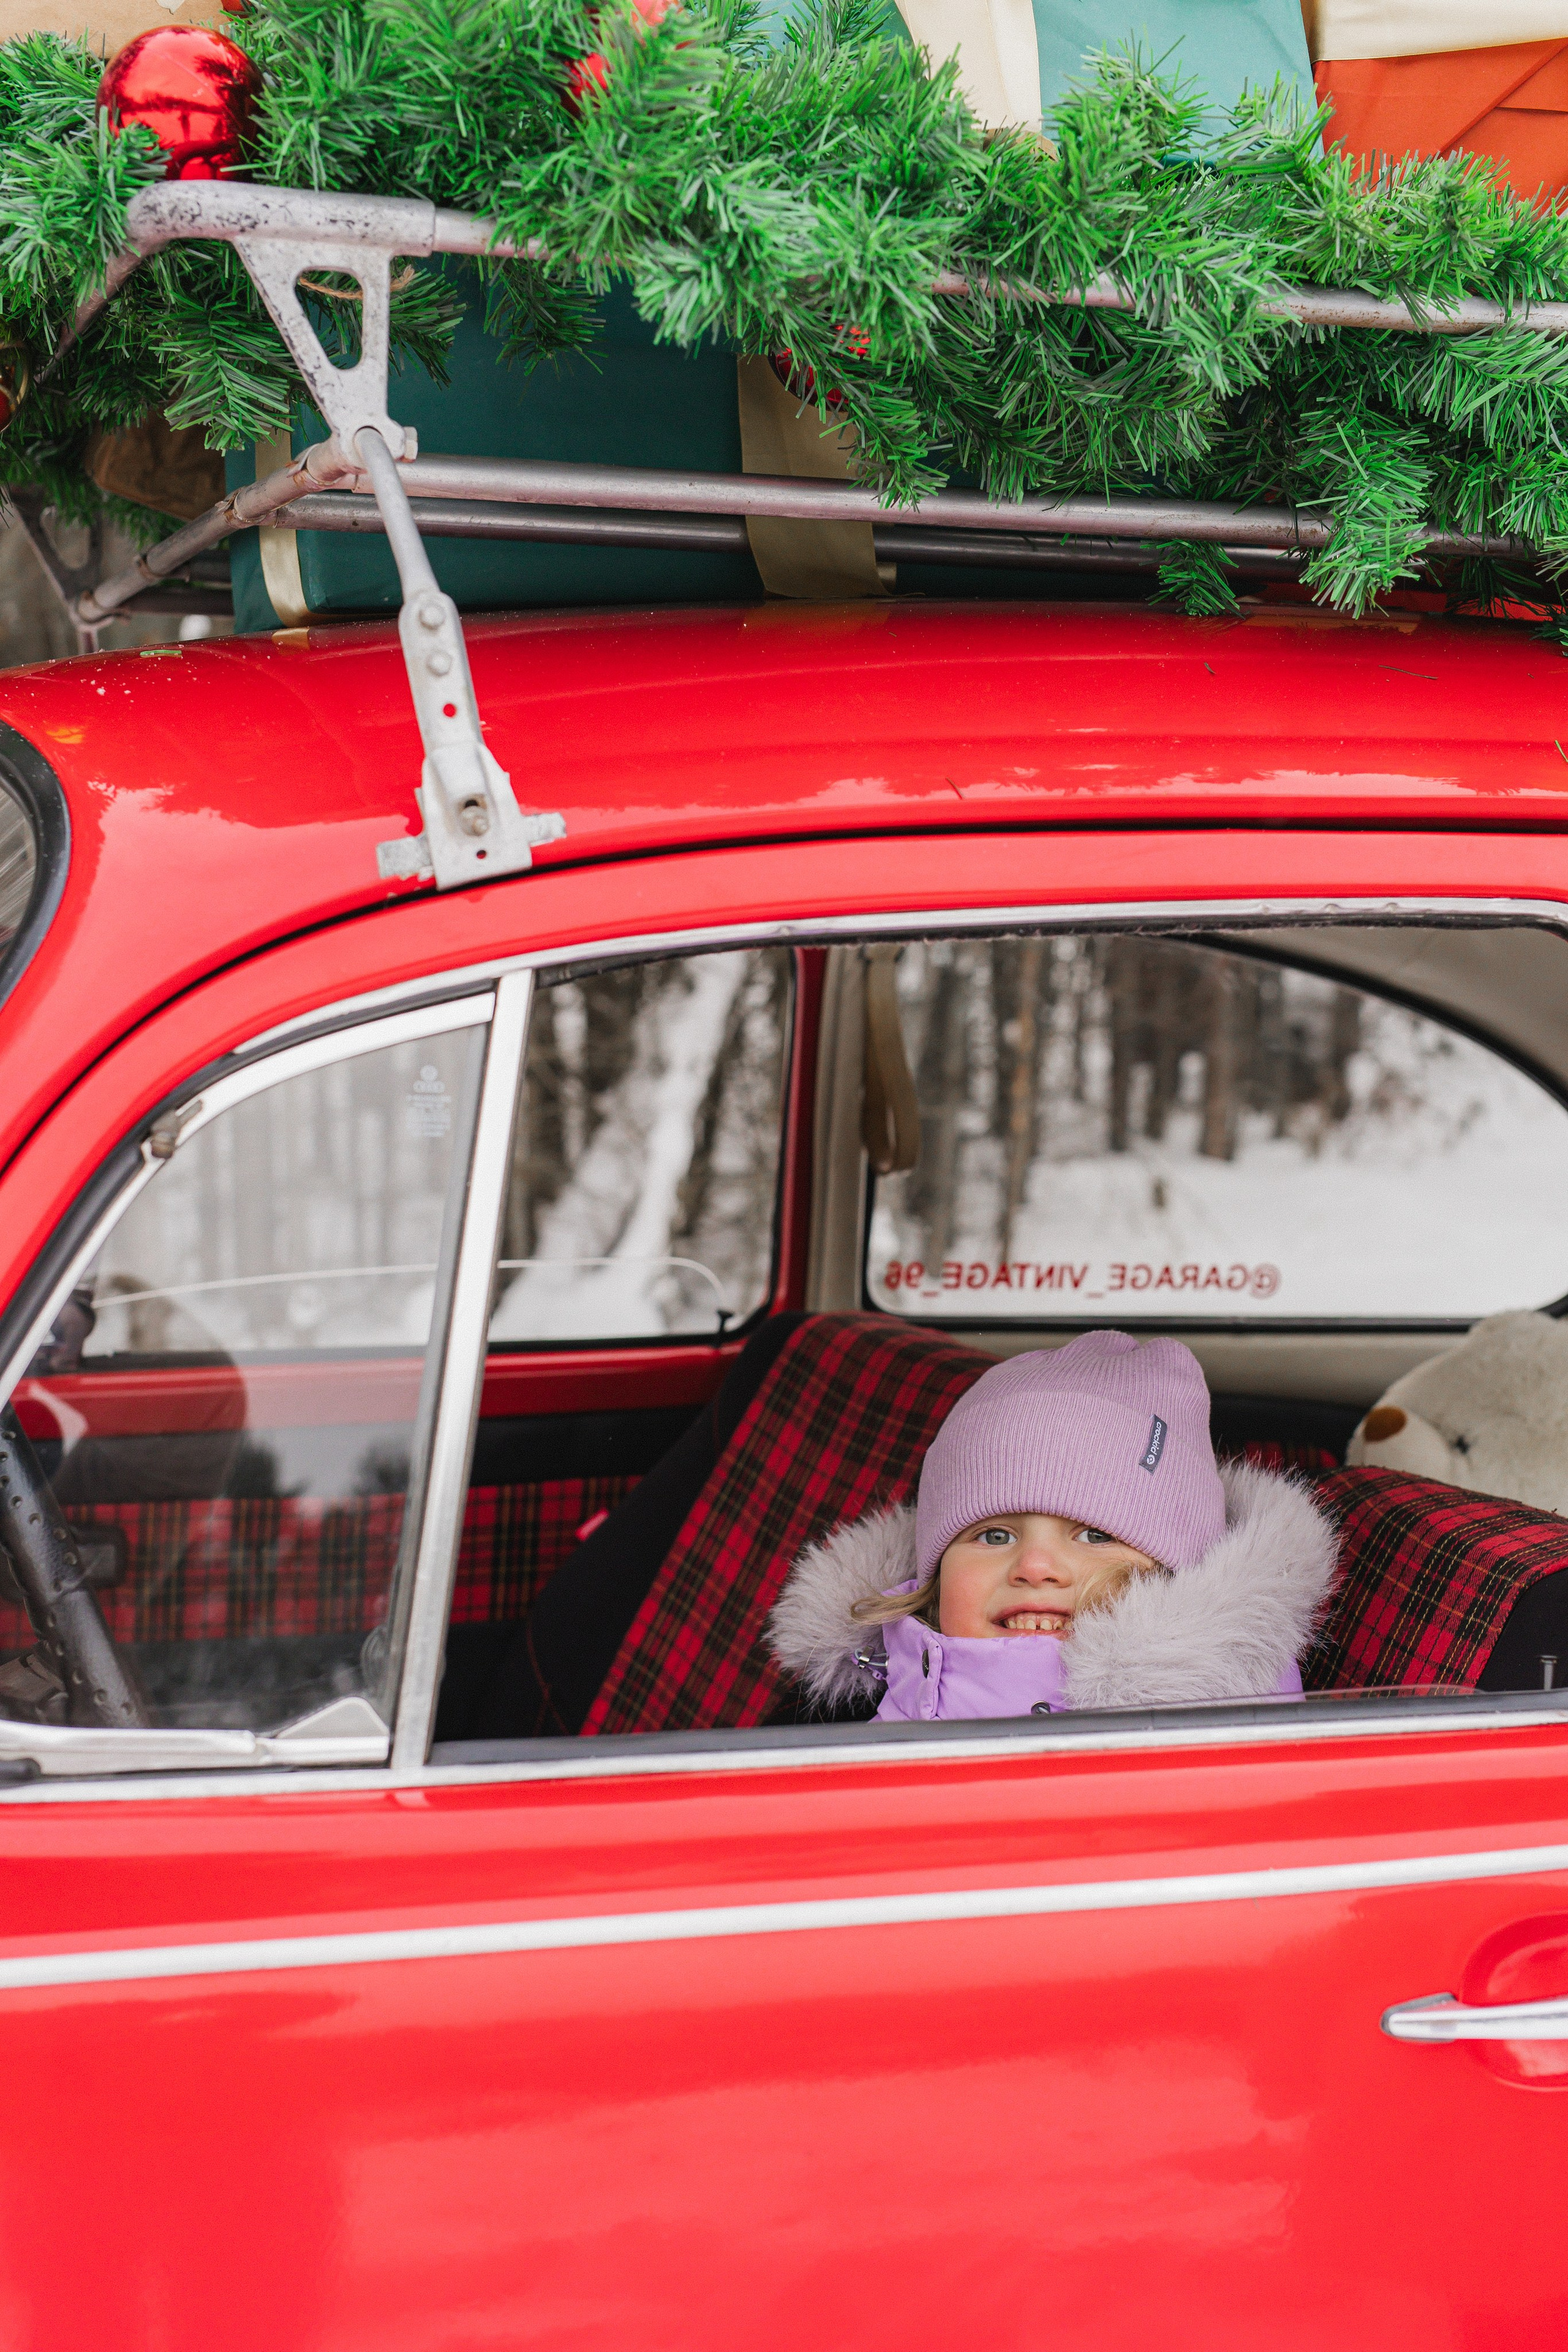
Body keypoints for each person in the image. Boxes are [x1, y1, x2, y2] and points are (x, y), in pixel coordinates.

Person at [767, 1330, 1339, 1722]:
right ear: (935, 1576)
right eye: (995, 1536)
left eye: (1094, 1534)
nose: (1035, 1568)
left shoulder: (1208, 1731)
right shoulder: (881, 1689)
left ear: (1179, 1575)